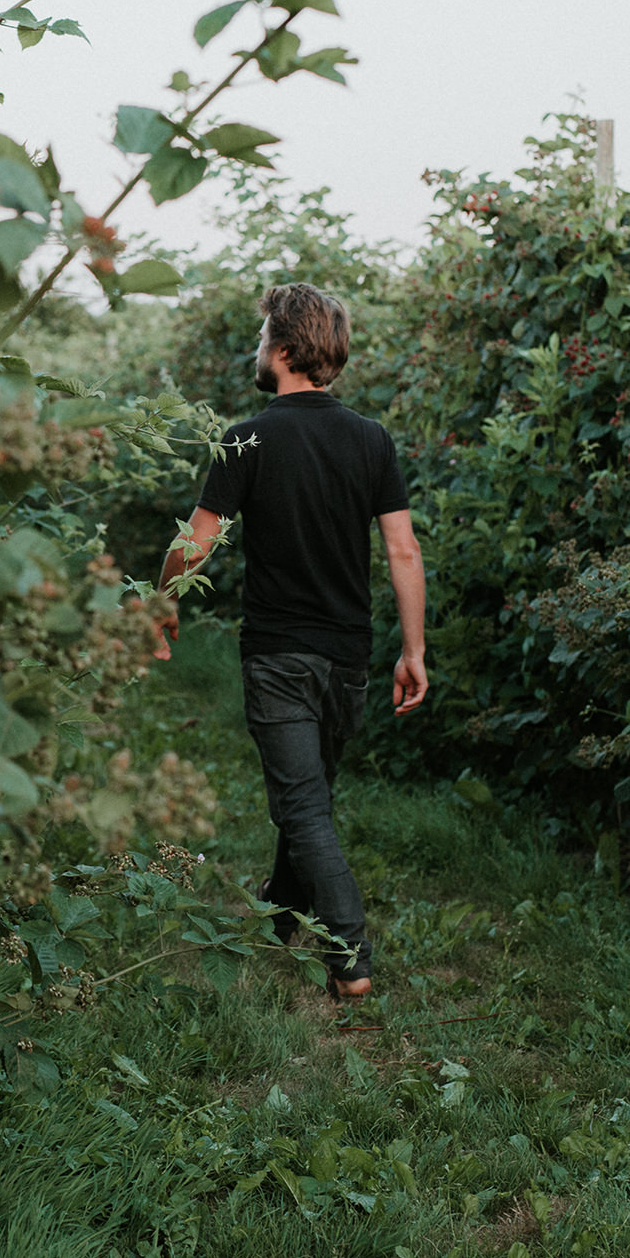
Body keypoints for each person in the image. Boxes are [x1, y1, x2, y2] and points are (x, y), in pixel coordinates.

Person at [157, 282, 427, 1000]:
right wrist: (413, 650)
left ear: (281, 349)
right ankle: (280, 912)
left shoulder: (247, 438)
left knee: (304, 805)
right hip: (348, 657)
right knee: (309, 794)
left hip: (278, 654)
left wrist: (159, 599)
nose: (256, 351)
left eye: (259, 339)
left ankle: (351, 960)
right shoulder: (370, 437)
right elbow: (402, 551)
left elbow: (197, 539)